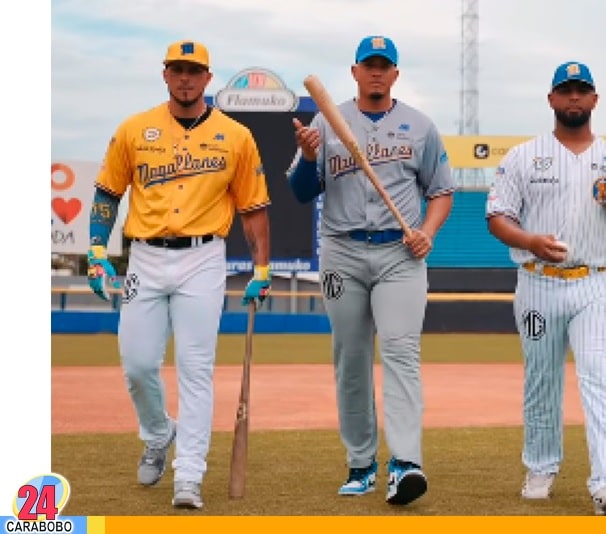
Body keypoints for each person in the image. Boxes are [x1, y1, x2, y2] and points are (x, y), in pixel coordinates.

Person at [86, 40, 272, 510]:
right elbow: (108, 192)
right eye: (177, 70)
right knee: (138, 364)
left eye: (194, 71)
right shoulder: (134, 129)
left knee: (196, 370)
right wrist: (95, 251)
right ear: (164, 75)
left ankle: (188, 474)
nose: (185, 78)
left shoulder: (237, 136)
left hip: (203, 258)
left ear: (208, 78)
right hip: (144, 257)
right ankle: (158, 434)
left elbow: (253, 208)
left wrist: (262, 268)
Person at [286, 35, 456, 506]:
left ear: (396, 74)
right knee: (352, 358)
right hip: (342, 250)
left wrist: (428, 230)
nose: (377, 72)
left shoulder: (420, 127)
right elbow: (301, 192)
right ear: (355, 71)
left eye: (385, 65)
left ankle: (405, 463)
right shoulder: (325, 121)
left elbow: (442, 190)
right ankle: (361, 463)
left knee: (401, 353)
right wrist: (308, 155)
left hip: (401, 254)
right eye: (369, 65)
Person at [485, 61, 606, 516]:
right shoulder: (523, 156)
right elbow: (498, 216)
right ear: (552, 99)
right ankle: (540, 466)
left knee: (599, 377)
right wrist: (531, 242)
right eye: (566, 91)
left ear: (595, 100)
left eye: (582, 91)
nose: (574, 98)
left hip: (597, 281)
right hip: (538, 282)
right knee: (541, 380)